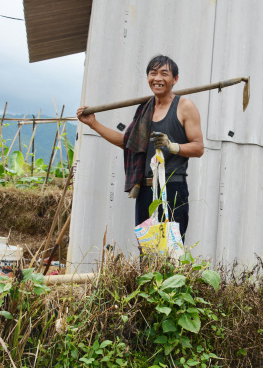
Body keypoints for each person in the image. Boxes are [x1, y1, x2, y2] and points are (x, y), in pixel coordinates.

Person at [77, 55, 204, 237]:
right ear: (148, 78)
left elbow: (199, 148)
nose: (157, 78)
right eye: (153, 73)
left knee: (172, 250)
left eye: (164, 74)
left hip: (172, 188)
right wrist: (93, 124)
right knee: (146, 250)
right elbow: (129, 144)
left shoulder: (185, 106)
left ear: (175, 79)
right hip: (145, 188)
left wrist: (172, 146)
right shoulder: (145, 109)